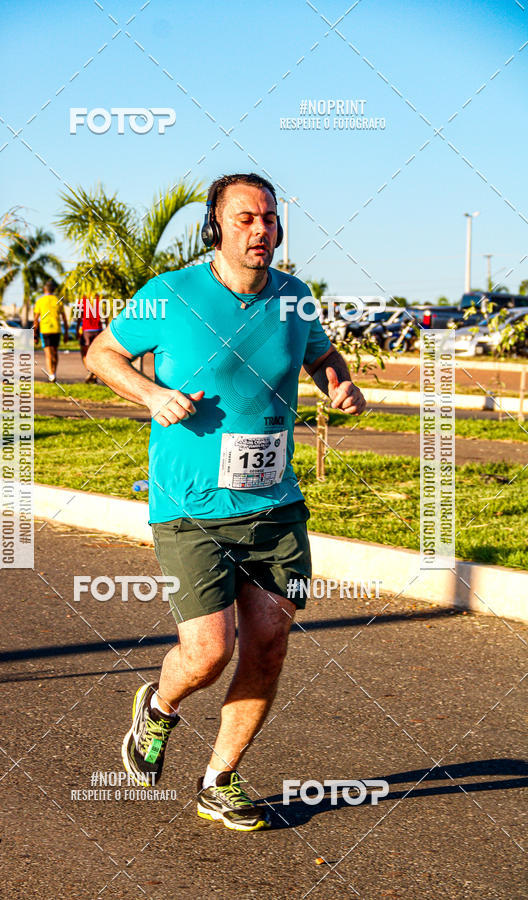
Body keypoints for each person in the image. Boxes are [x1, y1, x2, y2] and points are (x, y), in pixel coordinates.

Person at [86, 173, 366, 832]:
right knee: (209, 653)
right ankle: (159, 707)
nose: (260, 230)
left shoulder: (295, 298)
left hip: (276, 506)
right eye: (245, 218)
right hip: (190, 507)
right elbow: (102, 354)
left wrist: (340, 386)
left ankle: (220, 779)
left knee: (269, 645)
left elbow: (322, 358)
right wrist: (153, 395)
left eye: (269, 218)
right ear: (216, 226)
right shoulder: (170, 295)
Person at [33, 280, 68, 382]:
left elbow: (36, 319)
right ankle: (54, 373)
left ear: (44, 289)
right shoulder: (58, 300)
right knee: (55, 352)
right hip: (56, 329)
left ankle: (51, 374)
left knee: (48, 353)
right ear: (53, 290)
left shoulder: (40, 301)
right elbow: (64, 318)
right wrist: (66, 332)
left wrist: (35, 334)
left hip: (45, 330)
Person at [76, 295, 105, 383]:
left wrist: (77, 328)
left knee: (84, 351)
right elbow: (105, 314)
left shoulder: (82, 299)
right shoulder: (100, 298)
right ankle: (94, 376)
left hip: (87, 329)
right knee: (96, 353)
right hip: (98, 329)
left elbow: (79, 316)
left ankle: (90, 371)